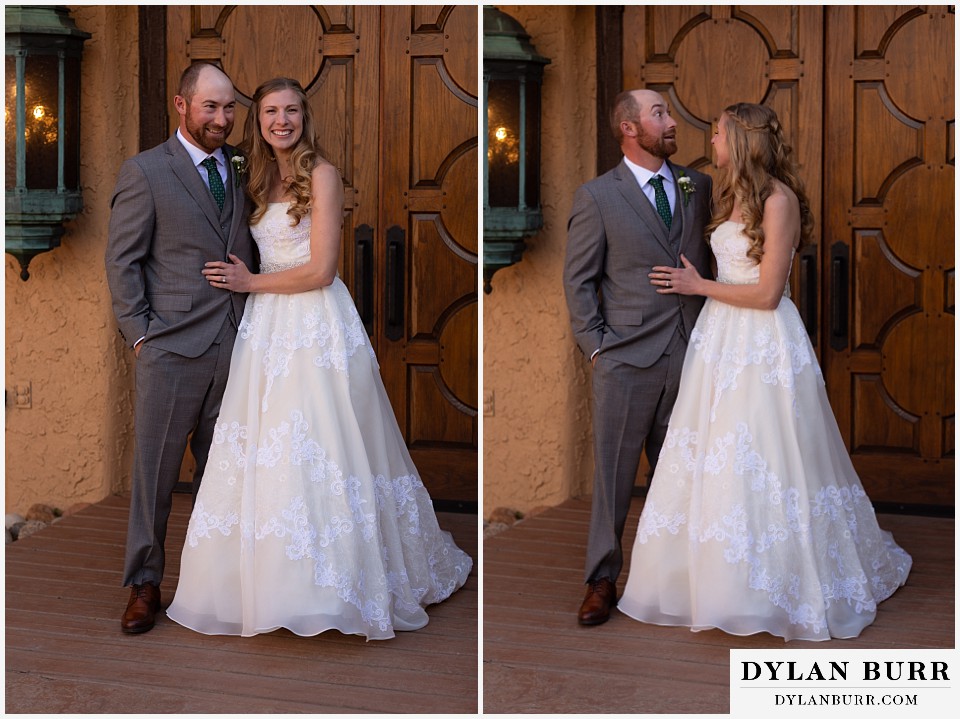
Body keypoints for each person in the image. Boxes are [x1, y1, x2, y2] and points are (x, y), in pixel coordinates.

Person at [165, 77, 473, 640]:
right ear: (257, 120)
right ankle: (271, 583)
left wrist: (249, 281)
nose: (281, 121)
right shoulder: (251, 175)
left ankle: (339, 586)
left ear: (305, 117)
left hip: (315, 324)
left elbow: (322, 270)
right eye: (270, 113)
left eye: (291, 112)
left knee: (325, 446)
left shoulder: (322, 175)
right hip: (265, 330)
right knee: (270, 448)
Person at [617, 103, 912, 640]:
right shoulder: (726, 193)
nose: (711, 138)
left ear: (743, 140)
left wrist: (697, 287)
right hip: (718, 342)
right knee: (716, 454)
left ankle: (776, 584)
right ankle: (712, 582)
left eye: (719, 131)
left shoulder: (778, 201)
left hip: (762, 342)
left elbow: (767, 292)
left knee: (766, 455)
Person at [105, 62, 256, 634]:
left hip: (237, 344)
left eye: (229, 108)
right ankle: (145, 584)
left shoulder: (243, 166)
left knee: (227, 473)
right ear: (181, 105)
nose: (222, 118)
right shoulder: (146, 171)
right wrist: (140, 334)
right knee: (157, 477)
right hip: (169, 349)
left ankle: (217, 581)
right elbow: (123, 261)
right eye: (210, 107)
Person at [563, 89, 713, 625]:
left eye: (669, 111)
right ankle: (602, 579)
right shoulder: (598, 196)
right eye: (659, 114)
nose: (672, 121)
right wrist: (597, 348)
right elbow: (579, 282)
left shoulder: (700, 187)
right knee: (614, 480)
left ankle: (686, 575)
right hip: (625, 360)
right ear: (629, 128)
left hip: (692, 354)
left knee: (687, 474)